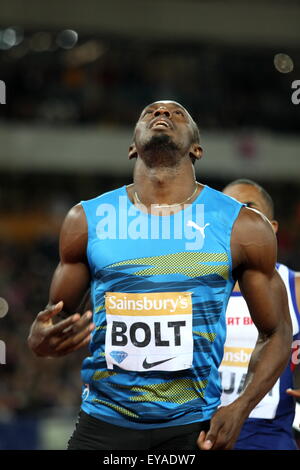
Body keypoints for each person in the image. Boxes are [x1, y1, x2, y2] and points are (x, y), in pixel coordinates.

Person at [27, 101, 292, 451]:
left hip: (194, 426)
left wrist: (241, 407)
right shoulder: (86, 220)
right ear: (133, 146)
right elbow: (54, 318)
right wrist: (39, 338)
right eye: (149, 112)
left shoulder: (241, 226)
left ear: (197, 149)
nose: (162, 114)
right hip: (102, 423)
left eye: (176, 113)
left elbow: (277, 331)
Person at [219, 178, 300, 450]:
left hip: (267, 436)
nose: (237, 219)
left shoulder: (294, 286)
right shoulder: (196, 286)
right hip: (200, 432)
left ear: (272, 228)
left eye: (248, 208)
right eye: (227, 210)